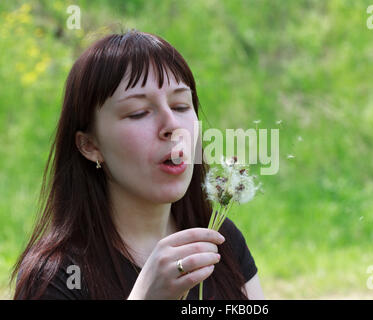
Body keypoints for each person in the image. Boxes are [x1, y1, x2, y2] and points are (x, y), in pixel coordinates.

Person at [11, 30, 264, 300]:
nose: (172, 126)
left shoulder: (218, 240)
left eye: (180, 106)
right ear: (90, 146)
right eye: (138, 112)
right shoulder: (56, 279)